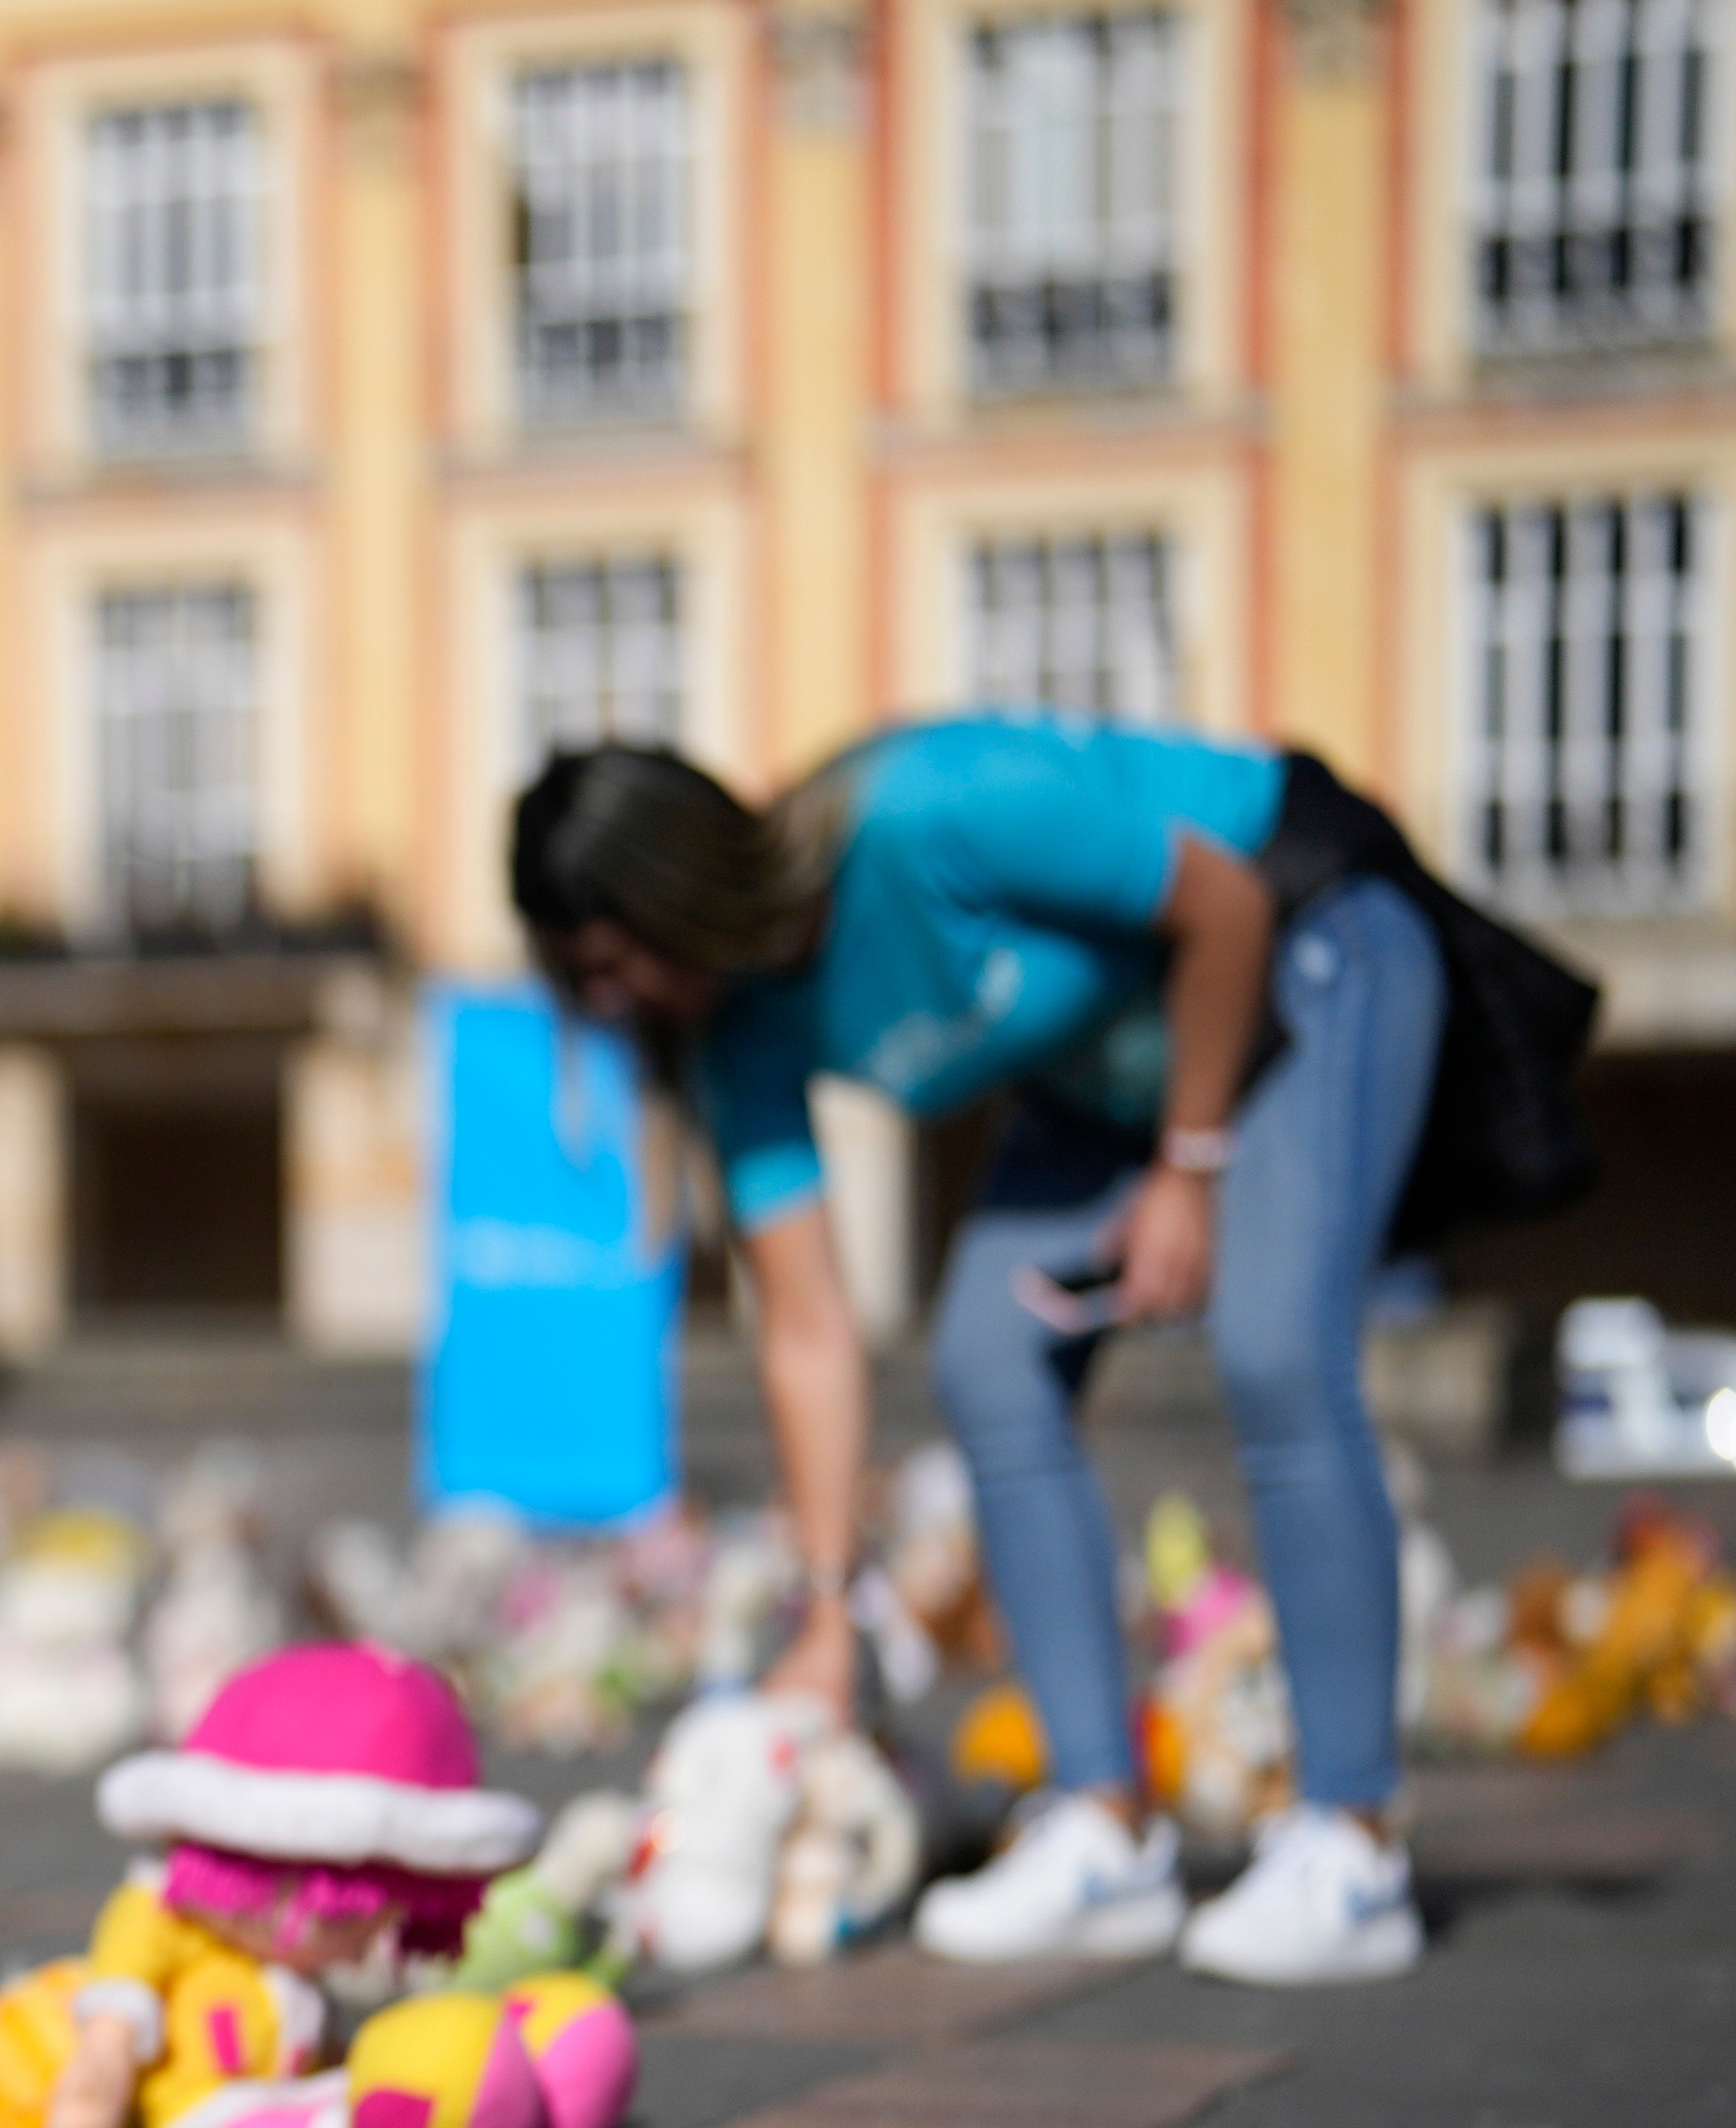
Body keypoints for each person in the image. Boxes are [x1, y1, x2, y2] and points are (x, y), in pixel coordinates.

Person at [510, 721, 1446, 1984]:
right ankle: (1101, 1830)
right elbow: (806, 1328)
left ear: (680, 881)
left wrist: (1189, 1167)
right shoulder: (735, 1036)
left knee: (1275, 1347)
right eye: (582, 979)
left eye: (613, 960)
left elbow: (1220, 905)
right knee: (984, 1360)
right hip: (1104, 1074)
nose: (611, 1003)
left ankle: (1352, 1838)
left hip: (1305, 946)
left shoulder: (926, 814)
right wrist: (830, 1608)